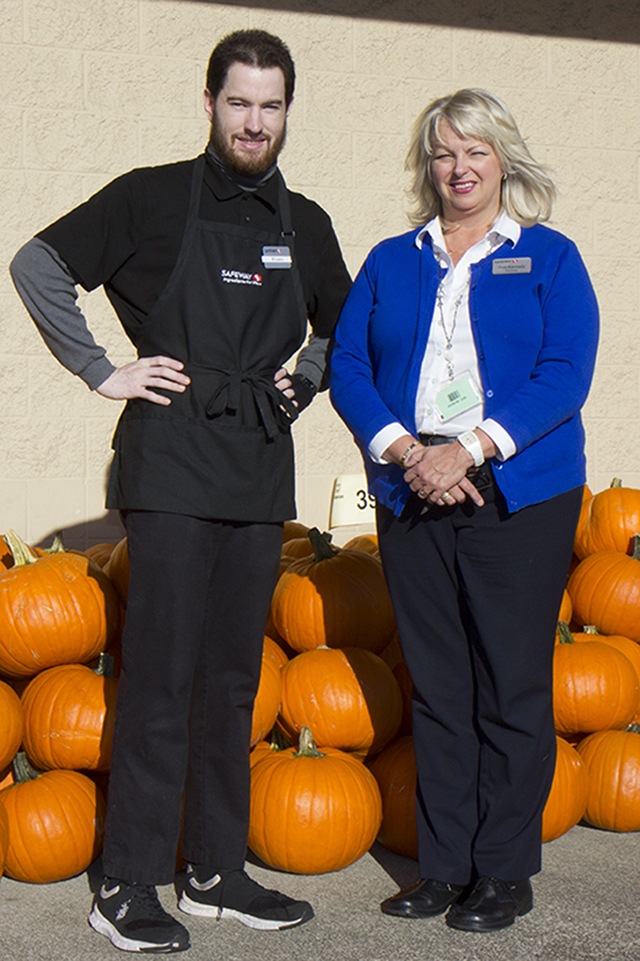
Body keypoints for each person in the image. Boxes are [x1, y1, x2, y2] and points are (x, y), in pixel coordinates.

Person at [11, 29, 350, 954]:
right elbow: (36, 265)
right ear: (209, 104)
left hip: (256, 465)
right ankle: (126, 883)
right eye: (238, 102)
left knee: (235, 678)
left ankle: (214, 867)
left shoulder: (305, 223)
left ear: (287, 111)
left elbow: (346, 322)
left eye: (270, 105)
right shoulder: (151, 197)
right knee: (160, 676)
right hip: (167, 462)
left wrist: (306, 374)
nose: (254, 121)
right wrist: (101, 370)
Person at [330, 88, 598, 933]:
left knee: (511, 684)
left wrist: (471, 447)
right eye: (445, 153)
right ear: (428, 166)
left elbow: (565, 372)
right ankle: (444, 868)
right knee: (439, 686)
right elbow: (348, 365)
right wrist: (409, 452)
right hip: (413, 485)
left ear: (503, 160)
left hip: (518, 490)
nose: (460, 169)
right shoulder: (389, 259)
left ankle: (505, 869)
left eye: (475, 152)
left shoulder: (549, 256)